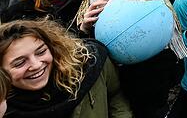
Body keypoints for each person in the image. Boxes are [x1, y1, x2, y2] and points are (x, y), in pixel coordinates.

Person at [75, 0, 186, 118]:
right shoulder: (88, 15)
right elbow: (80, 66)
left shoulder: (153, 3)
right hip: (114, 103)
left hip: (154, 97)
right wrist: (84, 30)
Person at [0, 19, 133, 117]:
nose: (36, 65)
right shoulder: (4, 109)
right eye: (20, 63)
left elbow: (116, 97)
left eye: (41, 52)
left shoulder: (89, 64)